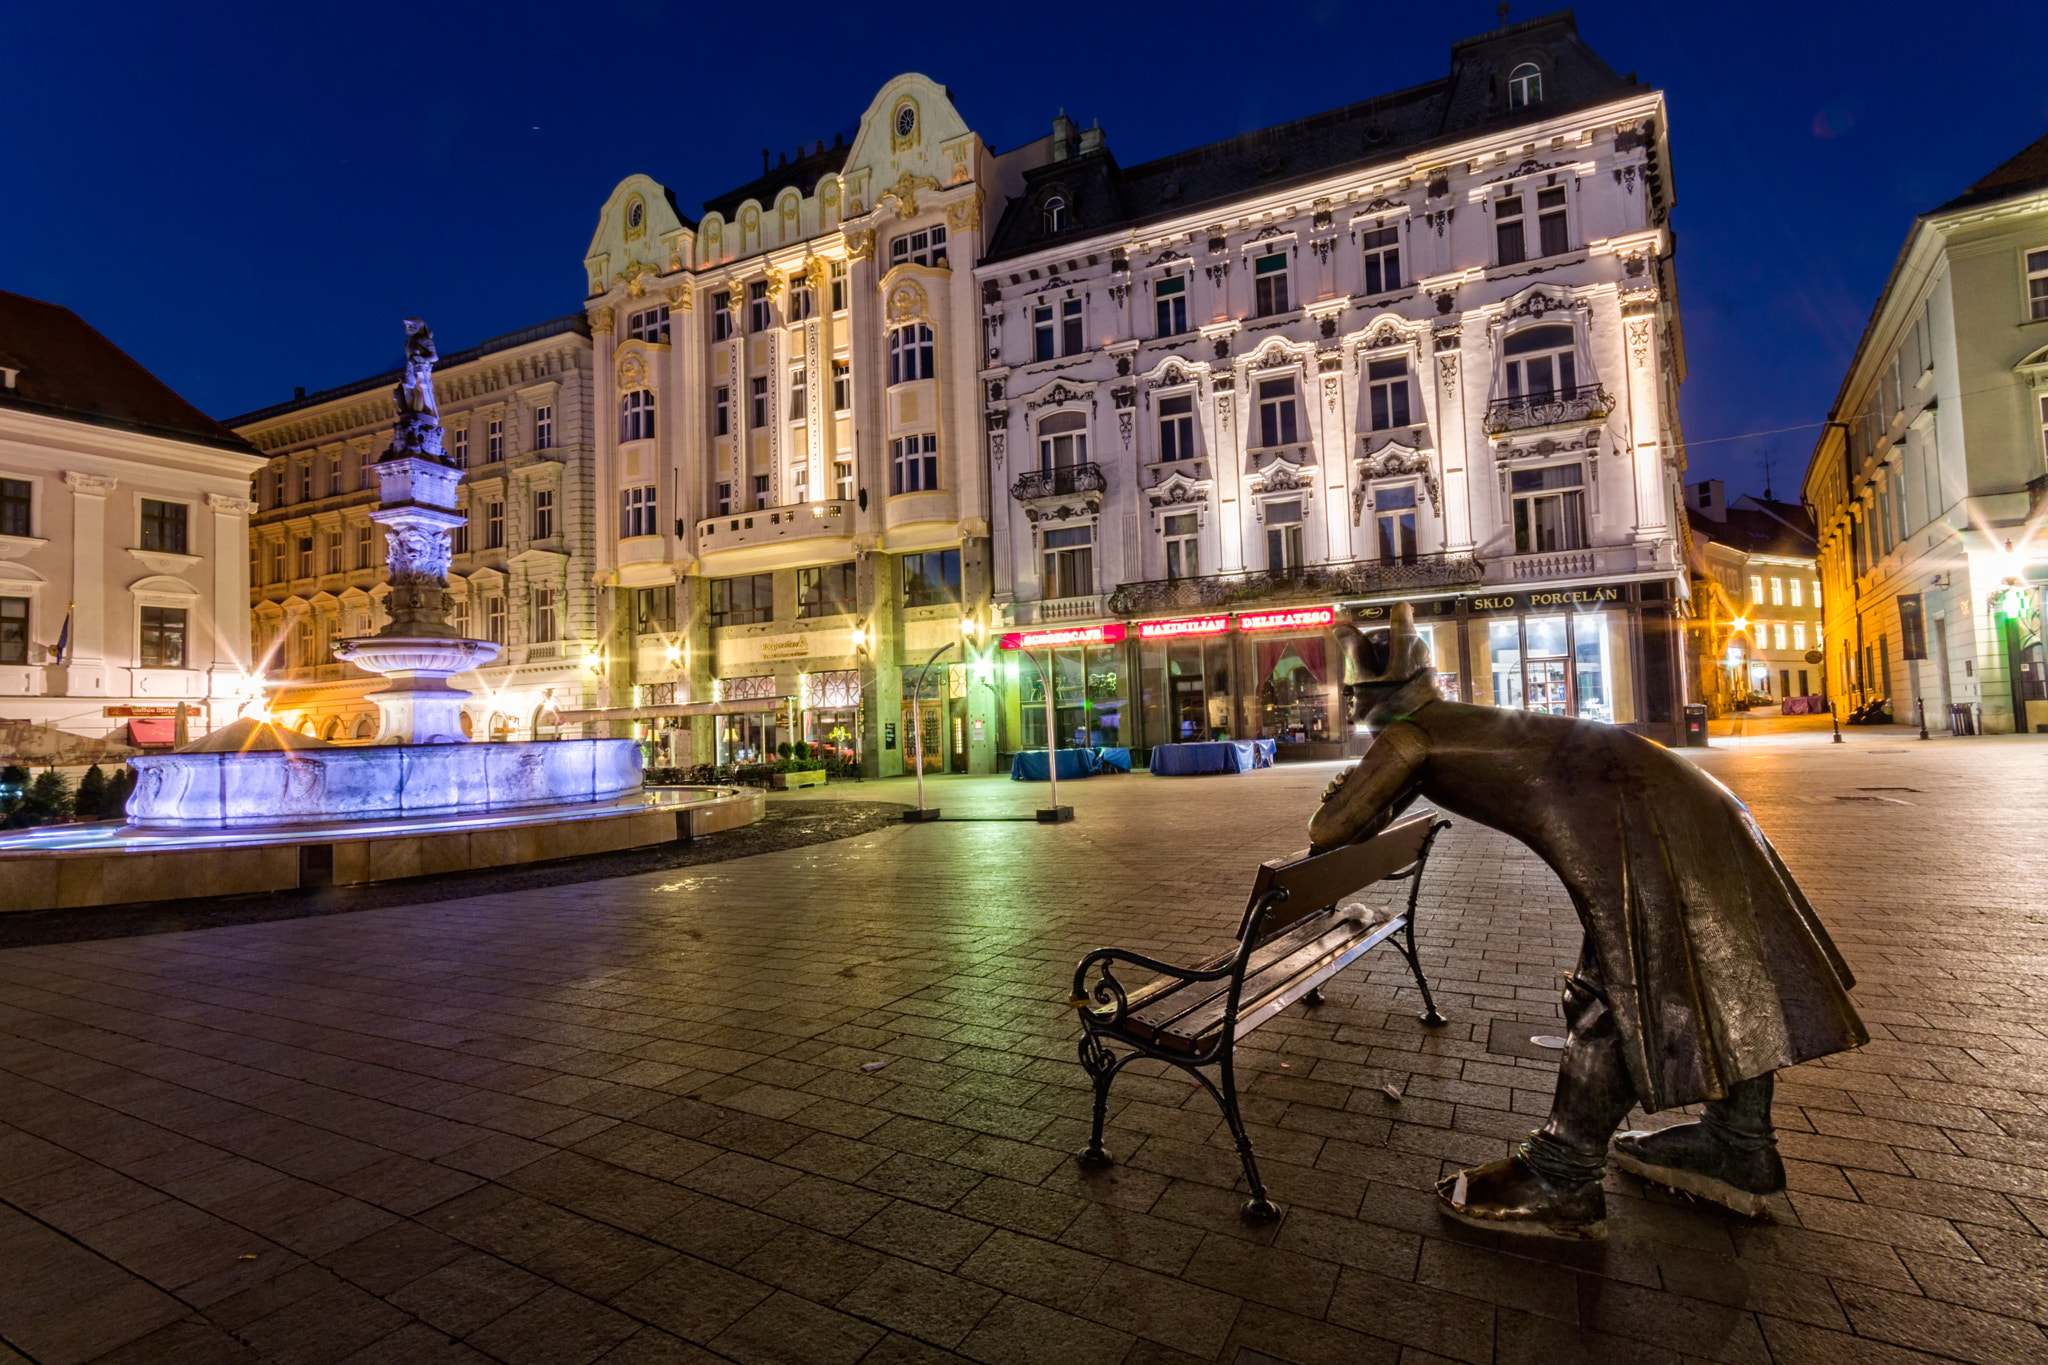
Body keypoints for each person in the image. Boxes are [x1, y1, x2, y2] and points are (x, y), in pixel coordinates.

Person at [1310, 604, 1866, 1238]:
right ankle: (1739, 1143)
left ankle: (1562, 1174)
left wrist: (1342, 800)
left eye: (1350, 690)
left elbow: (1330, 832)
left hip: (1644, 825)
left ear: (1371, 692)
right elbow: (1372, 814)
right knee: (1714, 962)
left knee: (1614, 990)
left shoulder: (1409, 734)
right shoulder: (1440, 724)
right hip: (1688, 803)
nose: (1346, 702)